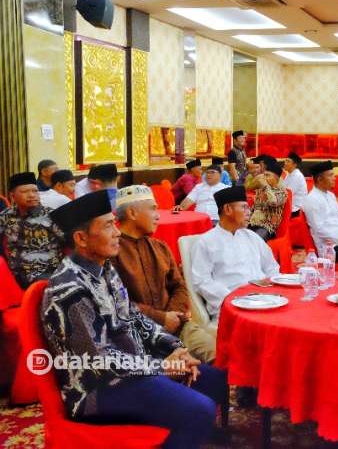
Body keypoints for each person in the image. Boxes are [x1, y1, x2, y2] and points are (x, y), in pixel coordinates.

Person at [43, 190, 228, 448]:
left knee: (214, 380)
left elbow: (134, 317)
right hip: (96, 390)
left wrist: (176, 348)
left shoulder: (104, 269)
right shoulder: (70, 289)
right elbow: (100, 360)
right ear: (81, 238)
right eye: (108, 226)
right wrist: (162, 367)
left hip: (133, 369)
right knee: (200, 410)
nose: (117, 232)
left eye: (114, 224)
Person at [112, 185, 216, 363]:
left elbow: (180, 286)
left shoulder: (159, 247)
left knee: (220, 356)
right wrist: (161, 319)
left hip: (178, 326)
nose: (158, 215)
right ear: (132, 213)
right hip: (138, 333)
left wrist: (171, 316)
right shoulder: (112, 253)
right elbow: (117, 302)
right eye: (153, 209)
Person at [191, 186, 280, 320]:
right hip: (231, 306)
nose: (249, 212)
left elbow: (272, 267)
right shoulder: (206, 242)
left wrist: (271, 291)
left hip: (264, 299)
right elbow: (201, 281)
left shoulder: (252, 237)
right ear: (228, 209)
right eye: (244, 207)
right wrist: (233, 298)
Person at [0, 172, 64, 288]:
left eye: (35, 191)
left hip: (45, 273)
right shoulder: (6, 216)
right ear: (12, 196)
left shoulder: (52, 215)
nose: (32, 195)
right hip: (14, 274)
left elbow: (70, 243)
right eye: (25, 192)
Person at [302, 161, 338, 266]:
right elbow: (320, 230)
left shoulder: (331, 196)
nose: (334, 178)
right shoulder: (311, 199)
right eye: (330, 175)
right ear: (319, 179)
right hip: (329, 248)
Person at [248, 159, 288, 241]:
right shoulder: (261, 190)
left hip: (267, 227)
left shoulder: (282, 192)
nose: (264, 178)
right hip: (252, 224)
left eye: (267, 175)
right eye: (264, 175)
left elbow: (273, 202)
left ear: (276, 178)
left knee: (254, 241)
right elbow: (253, 208)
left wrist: (266, 186)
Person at [282, 151, 308, 218]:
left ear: (294, 165)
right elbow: (282, 189)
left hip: (296, 209)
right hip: (289, 206)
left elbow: (286, 195)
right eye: (285, 161)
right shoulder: (289, 174)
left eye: (288, 161)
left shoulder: (297, 176)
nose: (285, 163)